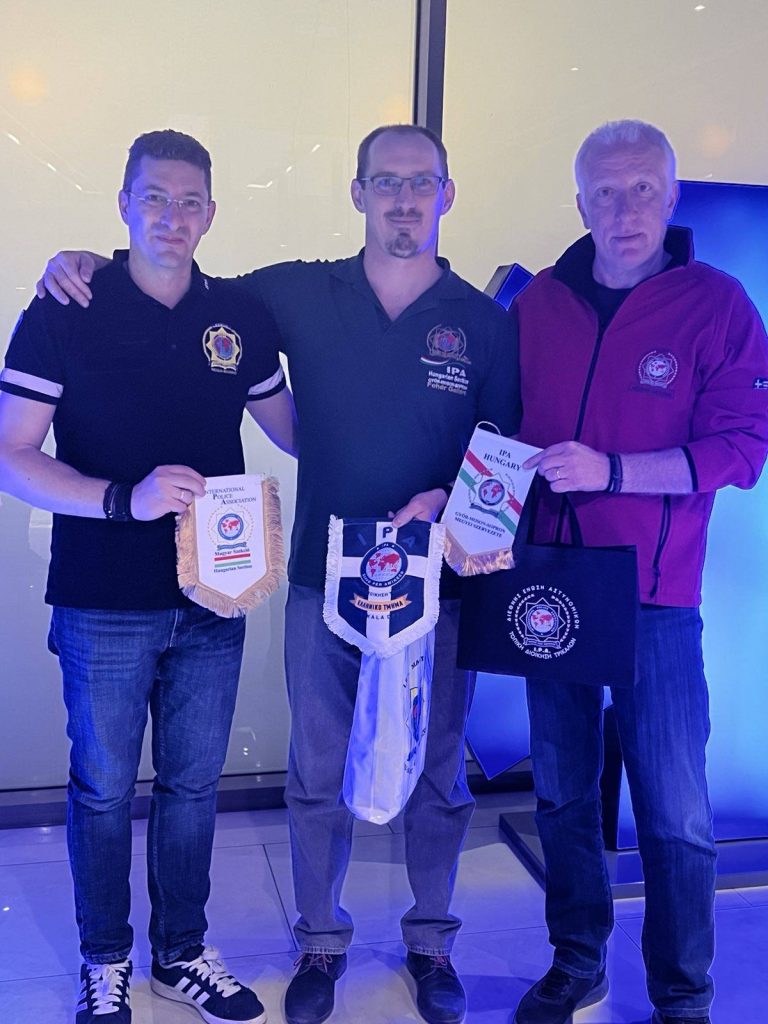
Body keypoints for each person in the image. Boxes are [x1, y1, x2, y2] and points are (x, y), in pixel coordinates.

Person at [37, 123, 521, 1024]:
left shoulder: (487, 323)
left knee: (439, 772)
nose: (403, 199)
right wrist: (86, 263)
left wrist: (449, 500)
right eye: (385, 181)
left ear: (447, 195)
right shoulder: (291, 294)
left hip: (439, 582)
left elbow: (505, 459)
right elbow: (175, 273)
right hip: (317, 578)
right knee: (314, 770)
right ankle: (320, 942)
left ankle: (432, 942)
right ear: (358, 192)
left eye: (421, 182)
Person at [0, 129, 297, 1024]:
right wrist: (122, 500)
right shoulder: (65, 308)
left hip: (215, 594)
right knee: (100, 790)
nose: (173, 215)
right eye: (155, 197)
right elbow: (12, 455)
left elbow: (297, 431)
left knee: (193, 787)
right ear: (124, 203)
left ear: (213, 212)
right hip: (102, 598)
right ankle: (105, 960)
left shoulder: (239, 316)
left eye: (190, 200)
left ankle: (181, 953)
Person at [511, 120, 768, 1024]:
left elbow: (743, 449)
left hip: (657, 598)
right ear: (580, 202)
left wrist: (612, 471)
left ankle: (682, 995)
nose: (625, 211)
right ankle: (578, 961)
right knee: (562, 796)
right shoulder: (536, 304)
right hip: (549, 587)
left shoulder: (719, 305)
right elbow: (498, 434)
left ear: (673, 197)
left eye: (644, 190)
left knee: (677, 816)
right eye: (606, 193)